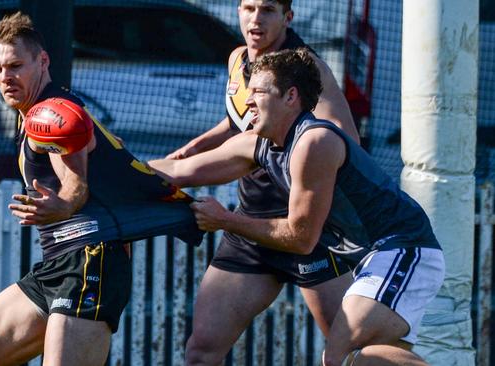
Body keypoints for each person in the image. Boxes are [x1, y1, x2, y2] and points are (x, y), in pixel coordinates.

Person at [148, 48, 445, 365]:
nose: (247, 101)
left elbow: (301, 238)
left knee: (341, 354)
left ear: (290, 96)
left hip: (403, 249)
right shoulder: (257, 143)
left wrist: (225, 220)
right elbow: (180, 171)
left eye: (259, 92)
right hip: (375, 258)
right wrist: (109, 164)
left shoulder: (314, 142)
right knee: (368, 357)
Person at [0, 12, 202, 366]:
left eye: (16, 65)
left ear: (43, 61)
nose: (6, 77)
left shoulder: (52, 116)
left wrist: (64, 206)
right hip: (59, 264)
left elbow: (75, 186)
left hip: (90, 261)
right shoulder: (38, 112)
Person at [164, 1, 358, 363]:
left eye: (268, 9)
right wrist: (200, 146)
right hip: (251, 225)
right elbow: (238, 122)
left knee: (346, 353)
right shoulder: (238, 59)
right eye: (248, 7)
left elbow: (345, 140)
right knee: (200, 351)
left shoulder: (305, 67)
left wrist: (296, 159)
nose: (256, 19)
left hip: (309, 231)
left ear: (288, 17)